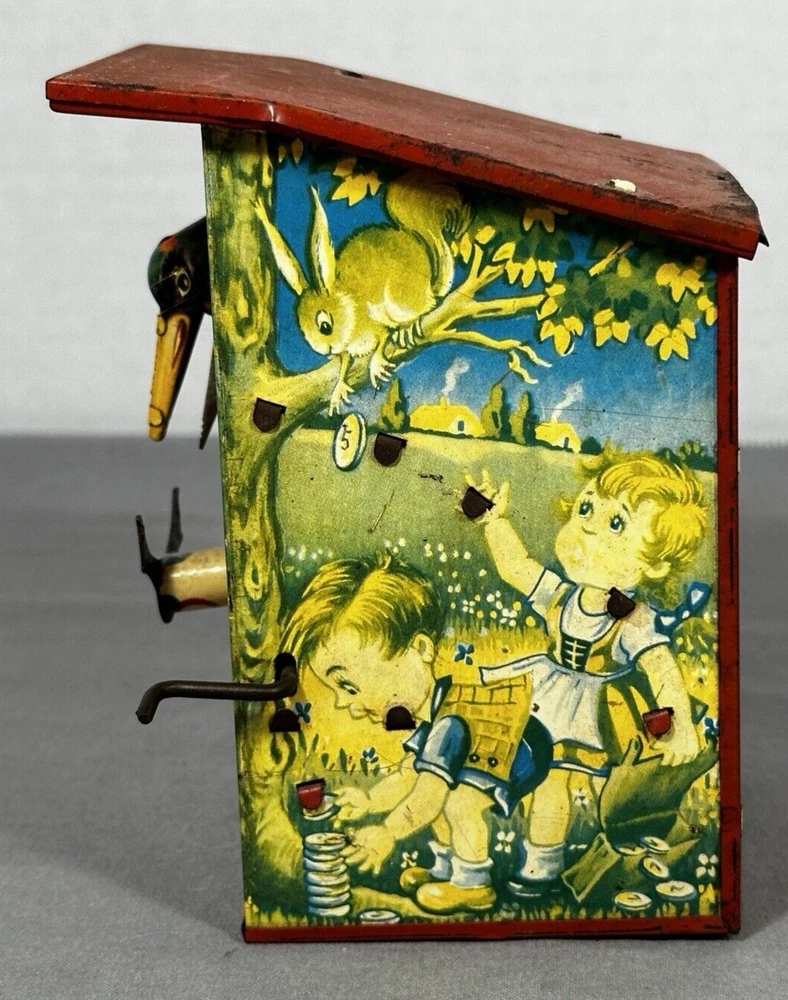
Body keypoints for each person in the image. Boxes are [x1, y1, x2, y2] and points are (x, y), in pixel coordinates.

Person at [469, 448, 707, 896]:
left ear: (654, 564)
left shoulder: (632, 619)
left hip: (593, 707)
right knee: (537, 775)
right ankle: (514, 846)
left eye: (616, 523)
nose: (587, 528)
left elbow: (661, 665)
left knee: (561, 783)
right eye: (585, 509)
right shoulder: (562, 594)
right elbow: (516, 568)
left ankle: (544, 865)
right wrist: (494, 522)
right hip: (546, 689)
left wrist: (682, 724)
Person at [282, 555, 551, 915]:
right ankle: (445, 869)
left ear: (421, 649)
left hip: (521, 752)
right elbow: (409, 774)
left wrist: (388, 832)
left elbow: (425, 798)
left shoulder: (449, 724)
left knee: (458, 802)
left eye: (350, 685)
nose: (345, 704)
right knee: (440, 793)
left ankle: (473, 884)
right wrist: (370, 800)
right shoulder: (432, 715)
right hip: (496, 748)